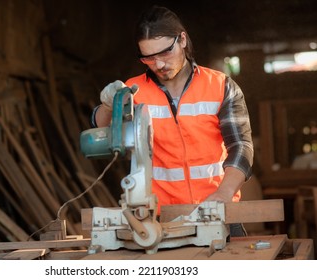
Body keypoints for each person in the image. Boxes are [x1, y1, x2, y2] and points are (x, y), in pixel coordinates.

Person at [91, 6, 254, 237]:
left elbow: (241, 147)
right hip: (158, 220)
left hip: (219, 212)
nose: (158, 65)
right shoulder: (134, 90)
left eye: (165, 53)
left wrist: (224, 194)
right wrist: (109, 104)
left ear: (183, 40)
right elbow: (102, 128)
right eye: (148, 57)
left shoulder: (220, 86)